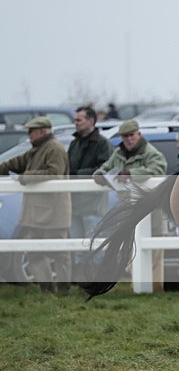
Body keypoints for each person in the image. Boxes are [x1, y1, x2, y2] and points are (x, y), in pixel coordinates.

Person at [93, 120, 168, 290]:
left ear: (138, 134)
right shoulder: (118, 154)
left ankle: (156, 291)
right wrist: (99, 175)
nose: (128, 139)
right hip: (129, 213)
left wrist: (131, 173)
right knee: (130, 253)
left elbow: (158, 169)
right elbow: (105, 168)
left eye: (131, 135)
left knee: (155, 256)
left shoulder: (151, 153)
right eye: (125, 136)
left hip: (151, 213)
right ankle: (139, 288)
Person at [0, 117, 71, 292]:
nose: (29, 135)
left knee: (60, 253)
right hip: (35, 212)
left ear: (42, 132)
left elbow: (54, 173)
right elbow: (15, 163)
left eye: (31, 131)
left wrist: (27, 176)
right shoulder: (36, 150)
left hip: (52, 212)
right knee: (33, 251)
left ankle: (63, 289)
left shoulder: (55, 149)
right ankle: (46, 287)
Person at [68, 105, 112, 279]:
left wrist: (77, 175)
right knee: (77, 245)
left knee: (94, 245)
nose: (76, 123)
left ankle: (96, 280)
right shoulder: (74, 143)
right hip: (74, 202)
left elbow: (105, 169)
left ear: (91, 121)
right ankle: (80, 280)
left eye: (79, 120)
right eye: (75, 120)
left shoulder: (102, 144)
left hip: (93, 204)